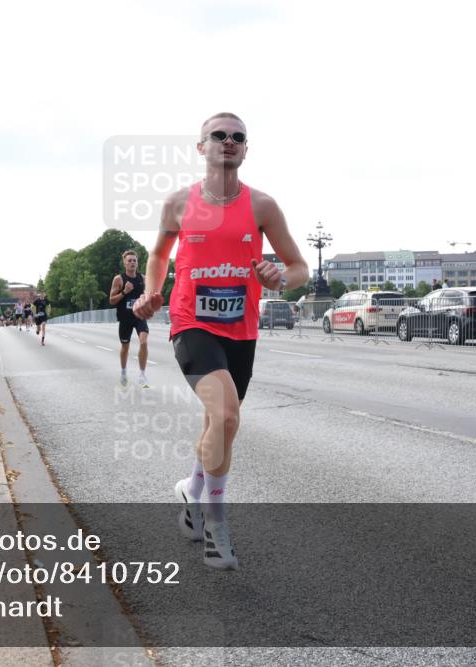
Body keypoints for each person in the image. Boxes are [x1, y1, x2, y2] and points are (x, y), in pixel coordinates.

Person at [133, 112, 309, 571]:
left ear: (246, 150)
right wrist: (152, 292)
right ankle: (216, 522)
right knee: (227, 414)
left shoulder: (263, 206)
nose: (228, 141)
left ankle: (192, 491)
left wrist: (279, 277)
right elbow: (158, 255)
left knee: (221, 422)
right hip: (191, 323)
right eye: (219, 135)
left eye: (238, 137)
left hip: (241, 329)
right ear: (202, 147)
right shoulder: (179, 202)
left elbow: (299, 268)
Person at [110, 249, 150, 387]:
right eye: (129, 260)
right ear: (124, 263)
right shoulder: (119, 279)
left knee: (144, 342)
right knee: (125, 347)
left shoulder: (143, 279)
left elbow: (150, 295)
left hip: (139, 316)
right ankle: (123, 372)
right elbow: (111, 300)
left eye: (134, 260)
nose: (132, 262)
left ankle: (142, 375)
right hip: (125, 318)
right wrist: (124, 292)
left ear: (137, 263)